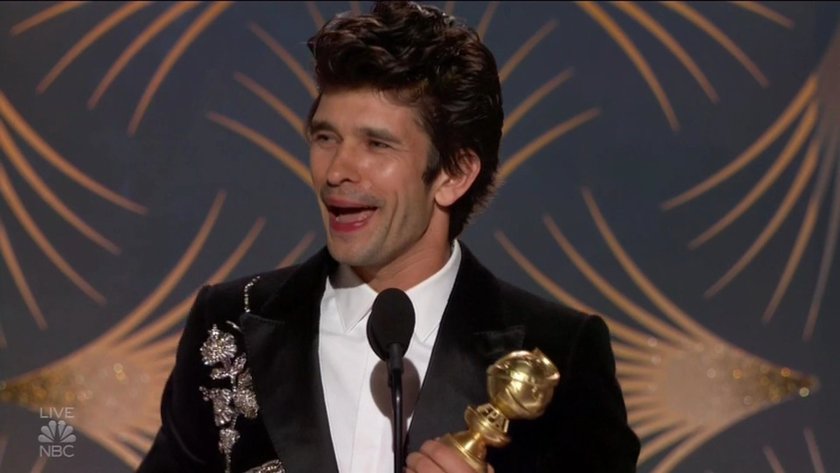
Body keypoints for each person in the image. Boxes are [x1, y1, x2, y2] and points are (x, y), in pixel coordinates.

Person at [138, 2, 640, 472]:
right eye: (326, 137)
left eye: (377, 144)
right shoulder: (227, 324)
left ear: (454, 174)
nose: (336, 170)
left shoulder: (558, 353)